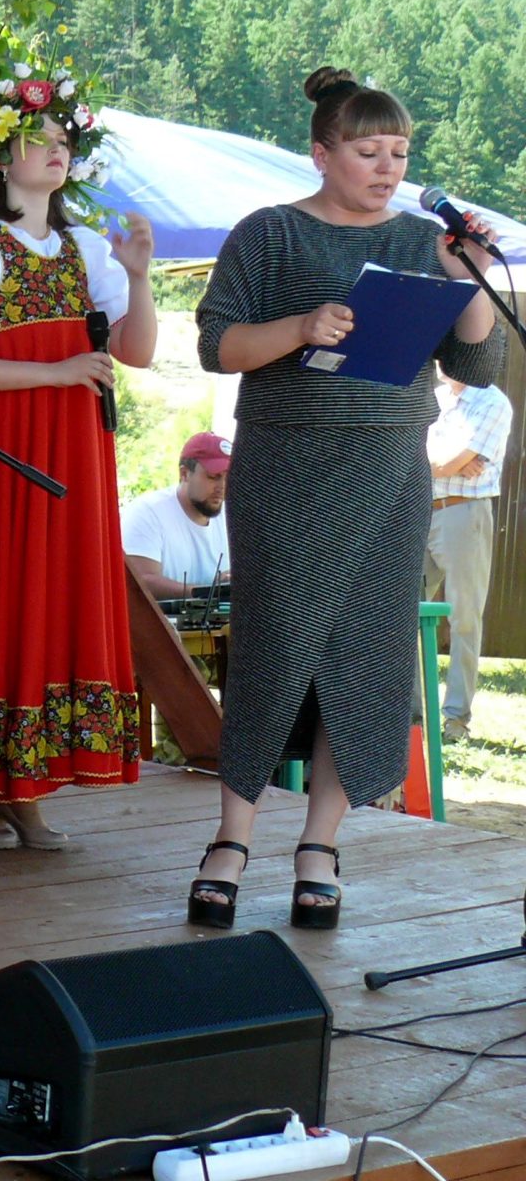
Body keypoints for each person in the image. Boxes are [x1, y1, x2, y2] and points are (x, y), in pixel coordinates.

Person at [185, 68, 503, 933]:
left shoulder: (420, 241)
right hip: (286, 472)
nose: (387, 167)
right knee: (276, 648)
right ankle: (231, 838)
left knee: (364, 655)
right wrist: (301, 327)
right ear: (322, 152)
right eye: (368, 151)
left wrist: (466, 275)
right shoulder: (271, 235)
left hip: (390, 475)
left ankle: (321, 845)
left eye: (399, 153)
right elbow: (217, 345)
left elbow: (476, 368)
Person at [0, 53, 155, 852]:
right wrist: (56, 370)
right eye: (38, 135)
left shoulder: (88, 249)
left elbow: (133, 352)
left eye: (64, 136)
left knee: (54, 600)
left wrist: (141, 274)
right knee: (0, 598)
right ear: (0, 156)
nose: (56, 147)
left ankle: (28, 785)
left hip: (74, 448)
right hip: (3, 443)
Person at [426, 375, 510, 741]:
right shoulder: (433, 398)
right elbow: (418, 454)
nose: (443, 362)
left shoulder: (492, 402)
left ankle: (455, 720)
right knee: (402, 614)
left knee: (463, 618)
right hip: (419, 512)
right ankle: (412, 716)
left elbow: (448, 459)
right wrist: (447, 461)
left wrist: (447, 460)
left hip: (465, 512)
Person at [123, 432, 233, 601]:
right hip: (160, 626)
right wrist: (207, 593)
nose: (222, 486)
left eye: (229, 477)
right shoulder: (147, 512)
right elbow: (140, 582)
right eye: (213, 476)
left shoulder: (232, 515)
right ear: (184, 474)